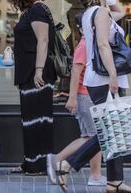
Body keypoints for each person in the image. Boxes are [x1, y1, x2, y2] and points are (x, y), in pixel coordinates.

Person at [50, 0, 131, 193]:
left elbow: (121, 12)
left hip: (101, 78)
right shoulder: (99, 13)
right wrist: (112, 76)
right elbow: (102, 45)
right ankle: (68, 163)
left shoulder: (97, 12)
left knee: (114, 129)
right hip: (103, 79)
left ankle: (114, 181)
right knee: (109, 132)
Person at [5, 0, 57, 175]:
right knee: (30, 119)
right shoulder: (32, 11)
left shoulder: (37, 10)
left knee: (39, 120)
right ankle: (30, 162)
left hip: (37, 75)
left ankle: (39, 164)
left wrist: (38, 71)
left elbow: (43, 41)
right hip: (29, 73)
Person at [47, 11, 106, 187]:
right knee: (93, 137)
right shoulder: (84, 45)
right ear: (81, 29)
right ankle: (57, 160)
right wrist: (72, 97)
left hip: (90, 95)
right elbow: (75, 73)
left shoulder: (91, 43)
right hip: (85, 96)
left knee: (93, 136)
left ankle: (96, 175)